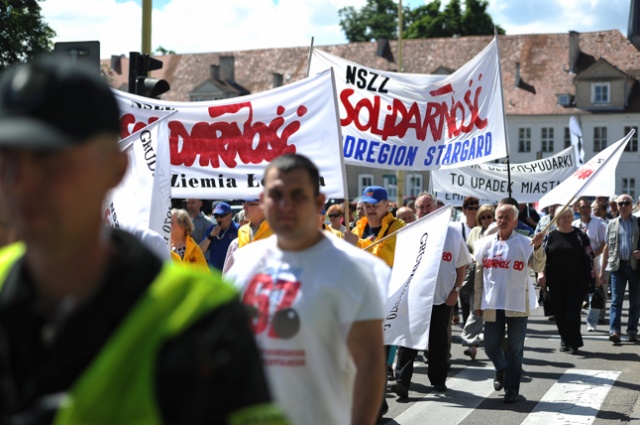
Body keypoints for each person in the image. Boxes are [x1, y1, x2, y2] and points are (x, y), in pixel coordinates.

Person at [0, 56, 285, 424]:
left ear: (115, 171)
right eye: (8, 162)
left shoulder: (202, 319)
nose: (24, 186)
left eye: (54, 164)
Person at [226, 154, 388, 425]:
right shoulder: (244, 261)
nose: (285, 205)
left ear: (318, 202)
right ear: (263, 198)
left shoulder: (357, 269)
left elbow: (370, 363)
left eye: (297, 195)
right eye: (276, 194)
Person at [392, 199, 471, 396]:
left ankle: (438, 380)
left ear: (436, 209)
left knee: (439, 341)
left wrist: (456, 290)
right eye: (421, 207)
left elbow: (462, 264)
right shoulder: (408, 233)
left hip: (443, 297)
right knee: (408, 340)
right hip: (414, 298)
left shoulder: (452, 233)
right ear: (415, 210)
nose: (425, 210)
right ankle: (402, 381)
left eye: (429, 206)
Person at [474, 204, 545, 404]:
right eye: (499, 217)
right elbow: (479, 275)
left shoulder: (524, 242)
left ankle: (511, 389)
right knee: (490, 344)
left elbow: (539, 266)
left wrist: (538, 247)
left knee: (515, 348)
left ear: (515, 221)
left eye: (507, 217)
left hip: (517, 304)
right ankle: (502, 369)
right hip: (492, 303)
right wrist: (478, 301)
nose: (502, 220)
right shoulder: (485, 244)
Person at [539, 208, 595, 353]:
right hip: (556, 282)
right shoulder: (550, 236)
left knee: (572, 313)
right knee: (560, 313)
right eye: (562, 216)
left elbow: (589, 256)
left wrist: (596, 277)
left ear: (572, 218)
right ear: (556, 219)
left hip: (577, 282)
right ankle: (565, 339)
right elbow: (541, 258)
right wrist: (541, 274)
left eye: (568, 216)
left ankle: (574, 341)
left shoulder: (580, 235)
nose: (566, 219)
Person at [600, 194, 640, 343]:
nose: (623, 206)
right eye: (620, 203)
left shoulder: (638, 222)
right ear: (617, 206)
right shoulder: (612, 223)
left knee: (635, 302)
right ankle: (614, 331)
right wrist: (601, 271)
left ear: (631, 206)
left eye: (626, 203)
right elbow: (606, 247)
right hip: (617, 267)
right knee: (616, 301)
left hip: (635, 268)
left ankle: (632, 331)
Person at [460, 203, 496, 360]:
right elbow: (466, 250)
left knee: (493, 313)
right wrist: (472, 257)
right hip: (478, 277)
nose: (486, 220)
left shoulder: (499, 231)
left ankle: (496, 345)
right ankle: (471, 343)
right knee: (476, 310)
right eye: (483, 217)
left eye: (489, 216)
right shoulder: (475, 232)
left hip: (495, 277)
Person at [572, 198, 607, 332]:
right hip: (578, 264)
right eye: (582, 207)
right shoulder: (574, 224)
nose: (585, 210)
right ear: (578, 210)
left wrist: (591, 255)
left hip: (595, 262)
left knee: (595, 292)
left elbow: (605, 243)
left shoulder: (599, 223)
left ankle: (592, 321)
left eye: (587, 207)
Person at [199, 202, 239, 272]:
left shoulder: (238, 229)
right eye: (217, 216)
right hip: (214, 274)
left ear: (230, 215)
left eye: (222, 216)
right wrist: (210, 236)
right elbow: (200, 251)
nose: (219, 219)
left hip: (232, 273)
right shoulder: (211, 229)